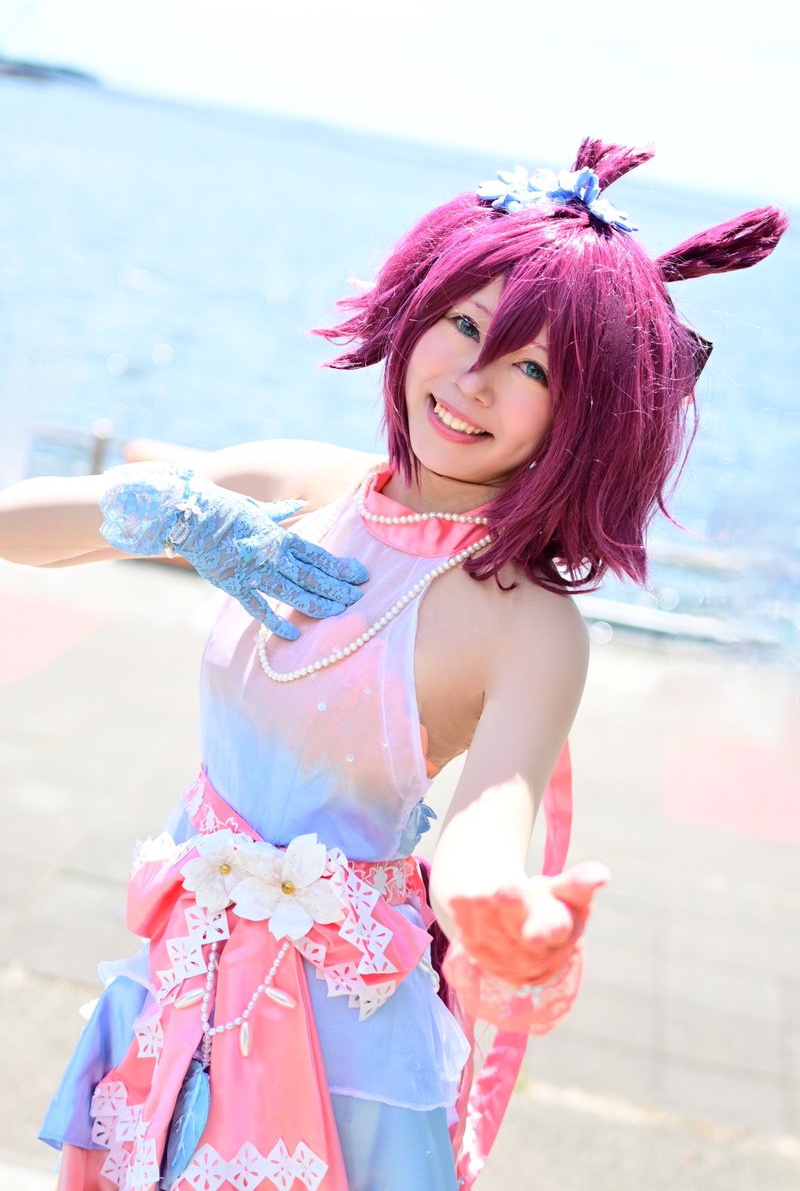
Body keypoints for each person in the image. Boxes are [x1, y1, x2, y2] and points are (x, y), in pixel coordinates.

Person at [0, 138, 786, 1191]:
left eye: (534, 370)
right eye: (463, 324)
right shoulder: (297, 481)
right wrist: (163, 513)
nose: (474, 381)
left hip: (341, 1043)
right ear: (416, 311)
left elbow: (485, 829)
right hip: (178, 968)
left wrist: (507, 918)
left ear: (585, 414)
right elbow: (14, 527)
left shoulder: (529, 624)